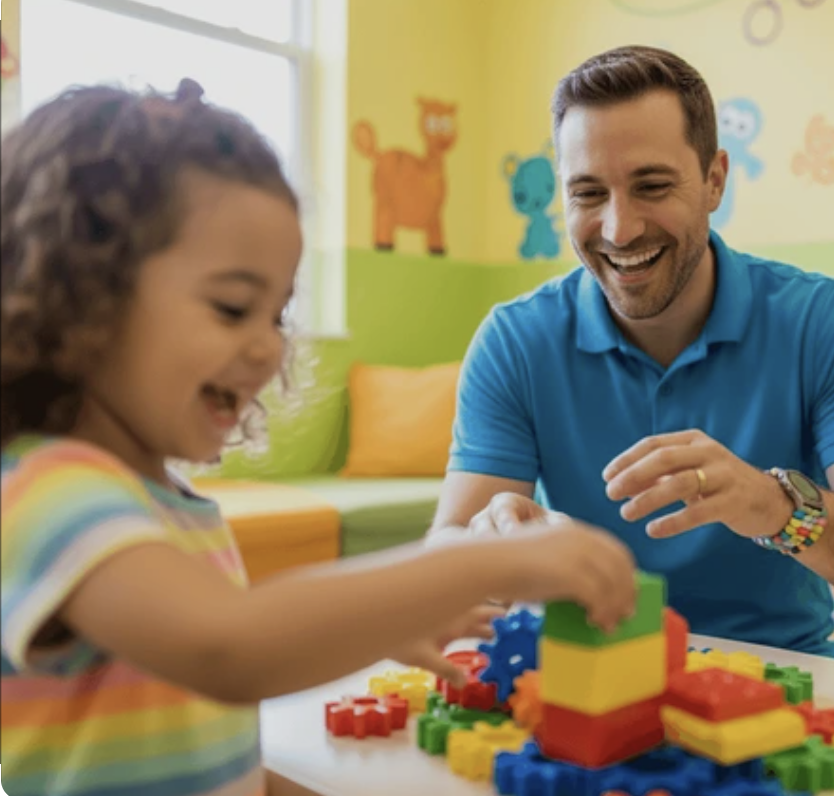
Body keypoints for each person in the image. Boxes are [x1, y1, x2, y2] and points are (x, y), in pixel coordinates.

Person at [0, 80, 638, 796]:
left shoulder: (168, 506)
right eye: (233, 307)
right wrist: (483, 561)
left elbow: (202, 743)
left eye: (276, 315)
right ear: (82, 293)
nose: (268, 349)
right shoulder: (47, 491)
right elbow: (230, 647)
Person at [427, 45, 834, 659]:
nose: (618, 229)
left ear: (714, 180)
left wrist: (772, 505)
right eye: (588, 193)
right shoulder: (515, 340)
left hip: (779, 676)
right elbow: (446, 552)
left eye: (651, 186)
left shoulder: (821, 321)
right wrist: (486, 542)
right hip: (585, 675)